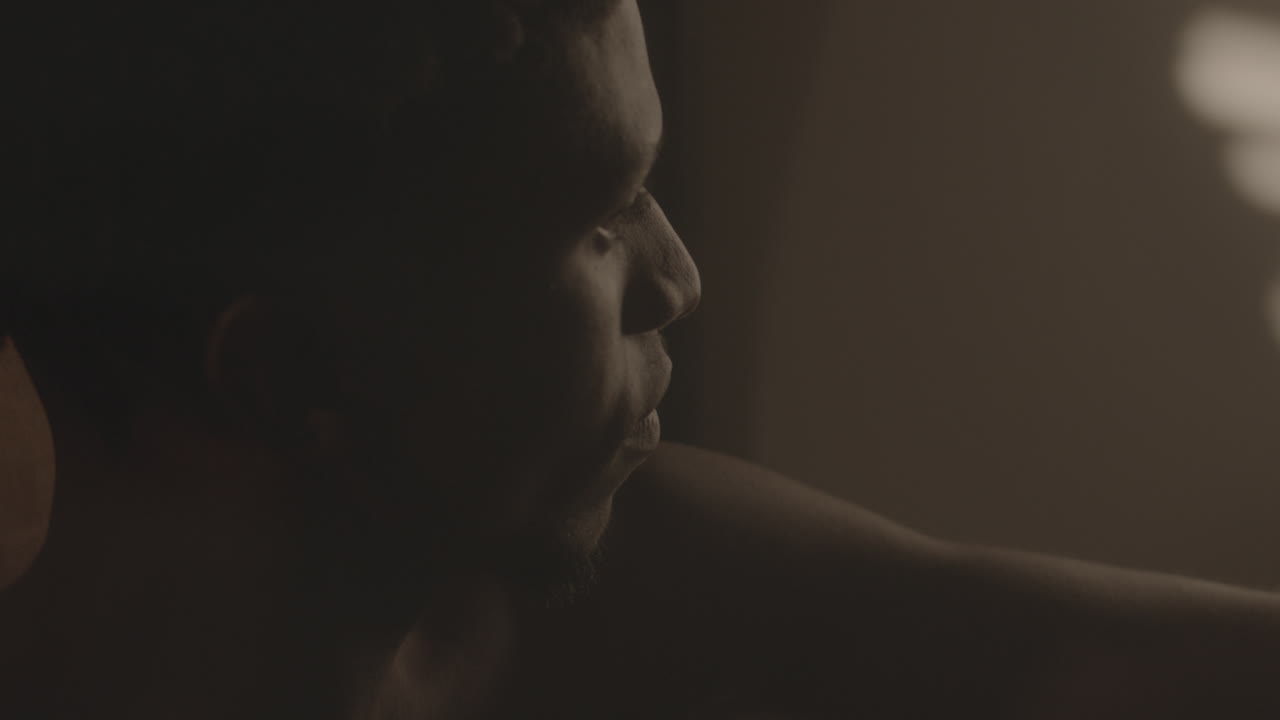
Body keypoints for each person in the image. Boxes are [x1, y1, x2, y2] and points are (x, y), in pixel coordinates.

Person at [0, 1, 1277, 718]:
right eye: (600, 223)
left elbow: (1077, 650)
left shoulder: (620, 581)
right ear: (282, 380)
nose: (677, 279)